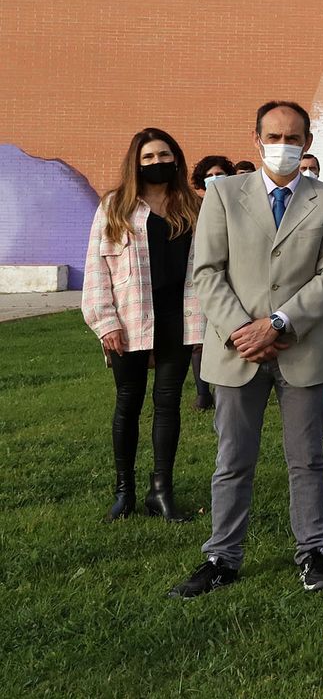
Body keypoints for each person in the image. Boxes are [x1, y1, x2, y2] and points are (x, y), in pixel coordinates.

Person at [168, 101, 323, 598]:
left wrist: (277, 323)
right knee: (232, 459)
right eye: (274, 136)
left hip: (301, 346)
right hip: (236, 351)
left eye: (293, 138)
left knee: (307, 458)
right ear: (256, 139)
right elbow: (207, 271)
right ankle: (221, 557)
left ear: (308, 143)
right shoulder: (224, 194)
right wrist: (242, 330)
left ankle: (313, 552)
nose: (284, 146)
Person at [81, 128, 205, 523]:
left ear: (176, 158)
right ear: (136, 162)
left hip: (178, 319)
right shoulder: (115, 207)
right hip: (129, 320)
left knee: (168, 405)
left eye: (163, 155)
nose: (157, 163)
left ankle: (161, 492)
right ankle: (124, 493)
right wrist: (105, 322)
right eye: (148, 157)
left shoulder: (192, 206)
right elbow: (97, 269)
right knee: (128, 404)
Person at [189, 155, 235, 410]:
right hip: (199, 280)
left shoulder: (236, 203)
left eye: (221, 173)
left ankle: (224, 384)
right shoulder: (194, 207)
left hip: (229, 280)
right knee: (199, 339)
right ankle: (202, 392)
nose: (216, 179)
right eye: (211, 175)